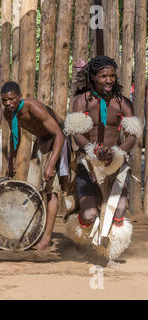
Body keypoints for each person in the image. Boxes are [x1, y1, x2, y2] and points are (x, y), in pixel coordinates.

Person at [65, 56, 140, 267]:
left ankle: (106, 253)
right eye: (103, 76)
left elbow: (132, 135)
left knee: (117, 210)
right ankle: (82, 233)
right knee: (89, 215)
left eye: (112, 76)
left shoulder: (123, 103)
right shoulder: (82, 101)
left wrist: (117, 151)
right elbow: (76, 133)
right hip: (89, 163)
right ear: (93, 77)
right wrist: (93, 149)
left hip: (115, 164)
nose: (108, 80)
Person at [2, 81, 67, 251]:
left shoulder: (33, 107)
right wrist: (11, 162)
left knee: (51, 190)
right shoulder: (8, 113)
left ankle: (46, 239)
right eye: (5, 100)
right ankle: (35, 232)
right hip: (41, 142)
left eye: (12, 99)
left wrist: (51, 164)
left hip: (57, 141)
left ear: (20, 97)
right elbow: (14, 137)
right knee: (32, 187)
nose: (8, 104)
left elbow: (59, 134)